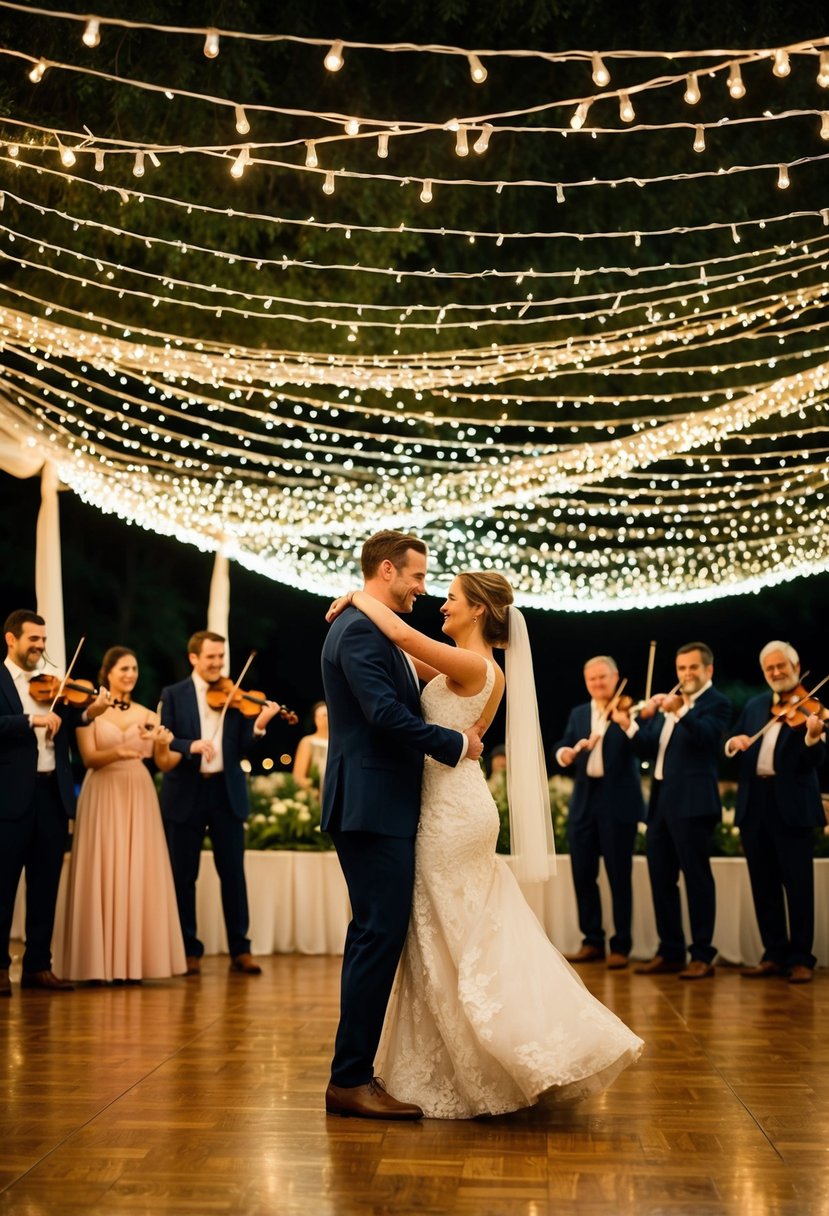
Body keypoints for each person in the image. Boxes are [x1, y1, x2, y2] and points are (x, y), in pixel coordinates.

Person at [328, 569, 644, 1120]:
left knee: (454, 935)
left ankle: (503, 1052)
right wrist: (363, 608)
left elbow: (403, 640)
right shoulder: (462, 665)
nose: (440, 603)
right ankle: (464, 1056)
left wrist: (358, 596)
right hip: (449, 806)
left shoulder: (474, 665)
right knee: (449, 935)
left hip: (452, 815)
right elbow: (403, 660)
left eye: (450, 597)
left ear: (478, 611)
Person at [321, 531, 485, 1121]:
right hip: (369, 804)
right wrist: (455, 743)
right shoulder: (361, 629)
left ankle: (355, 1072)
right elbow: (384, 715)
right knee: (376, 936)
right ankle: (349, 1080)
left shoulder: (370, 624)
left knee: (377, 934)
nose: (424, 587)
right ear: (387, 570)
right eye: (417, 576)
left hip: (381, 802)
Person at [56, 647, 186, 983]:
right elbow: (88, 758)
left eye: (134, 668)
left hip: (138, 791)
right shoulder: (91, 709)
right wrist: (121, 751)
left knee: (136, 870)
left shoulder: (147, 713)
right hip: (103, 790)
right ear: (108, 672)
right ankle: (97, 965)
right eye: (124, 668)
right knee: (105, 866)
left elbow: (165, 764)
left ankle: (134, 964)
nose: (130, 674)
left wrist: (161, 744)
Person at [156, 631, 281, 977]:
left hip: (226, 793)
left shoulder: (234, 694)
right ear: (193, 658)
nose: (217, 664)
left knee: (233, 875)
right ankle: (188, 949)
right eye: (210, 657)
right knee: (184, 876)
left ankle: (241, 949)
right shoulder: (173, 694)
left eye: (221, 657)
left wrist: (258, 726)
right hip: (186, 790)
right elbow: (163, 738)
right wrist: (188, 745)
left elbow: (242, 745)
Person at [0, 609, 108, 996]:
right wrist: (30, 720)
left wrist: (90, 710)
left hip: (51, 795)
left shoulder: (54, 684)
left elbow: (75, 718)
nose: (41, 647)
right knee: (4, 884)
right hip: (10, 797)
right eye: (34, 639)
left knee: (45, 884)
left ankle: (38, 966)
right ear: (11, 640)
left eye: (43, 640)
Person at [613, 642, 731, 980]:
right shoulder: (668, 707)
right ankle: (671, 950)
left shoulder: (716, 703)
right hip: (662, 801)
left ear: (708, 670)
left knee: (696, 879)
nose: (686, 674)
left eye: (693, 668)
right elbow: (648, 746)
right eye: (681, 668)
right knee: (661, 878)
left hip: (694, 802)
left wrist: (680, 710)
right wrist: (628, 724)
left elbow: (709, 738)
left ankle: (702, 954)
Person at [725, 641, 825, 984]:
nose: (776, 673)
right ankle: (774, 953)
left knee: (797, 885)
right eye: (770, 668)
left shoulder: (812, 707)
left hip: (793, 804)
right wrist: (734, 743)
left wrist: (812, 737)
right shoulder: (755, 705)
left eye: (782, 666)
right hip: (756, 804)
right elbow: (734, 737)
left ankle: (801, 958)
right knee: (763, 884)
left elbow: (814, 761)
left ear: (796, 667)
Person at [554, 655, 645, 970]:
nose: (597, 684)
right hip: (585, 801)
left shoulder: (629, 711)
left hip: (618, 802)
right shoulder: (579, 713)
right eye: (591, 679)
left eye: (602, 678)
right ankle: (592, 940)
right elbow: (563, 747)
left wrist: (628, 723)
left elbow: (644, 748)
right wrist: (567, 753)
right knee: (583, 874)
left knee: (619, 876)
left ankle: (621, 945)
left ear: (615, 676)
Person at [292, 700, 328, 795]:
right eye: (321, 716)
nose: (325, 719)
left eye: (327, 715)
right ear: (315, 719)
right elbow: (298, 776)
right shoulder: (308, 741)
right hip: (316, 795)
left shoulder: (340, 743)